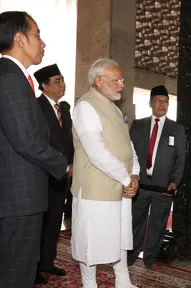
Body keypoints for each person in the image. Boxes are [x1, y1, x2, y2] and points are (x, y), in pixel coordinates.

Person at [0, 11, 69, 288]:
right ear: (20, 39)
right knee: (14, 273)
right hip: (19, 195)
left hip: (22, 194)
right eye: (37, 34)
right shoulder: (10, 79)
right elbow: (26, 140)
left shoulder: (15, 77)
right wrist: (62, 164)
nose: (42, 42)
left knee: (13, 269)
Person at [71, 58, 139, 288]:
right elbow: (96, 152)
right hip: (96, 190)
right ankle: (89, 285)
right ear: (99, 81)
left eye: (122, 80)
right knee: (91, 242)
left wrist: (135, 174)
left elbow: (128, 146)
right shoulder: (86, 106)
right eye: (116, 80)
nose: (122, 84)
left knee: (119, 236)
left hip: (120, 186)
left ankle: (123, 281)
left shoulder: (115, 110)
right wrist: (126, 178)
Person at [128, 85, 186, 268]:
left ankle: (151, 258)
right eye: (159, 100)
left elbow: (180, 160)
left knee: (157, 224)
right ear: (150, 103)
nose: (162, 104)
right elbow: (129, 154)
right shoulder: (138, 126)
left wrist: (174, 182)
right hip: (140, 185)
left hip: (163, 187)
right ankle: (130, 256)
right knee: (135, 221)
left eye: (166, 101)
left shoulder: (176, 129)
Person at [34, 64, 74, 284]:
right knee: (38, 224)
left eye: (63, 79)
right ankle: (33, 267)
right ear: (45, 86)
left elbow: (68, 142)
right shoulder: (36, 107)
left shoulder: (65, 110)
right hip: (42, 176)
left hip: (62, 177)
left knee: (54, 222)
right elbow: (38, 143)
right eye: (57, 81)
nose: (63, 84)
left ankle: (47, 261)